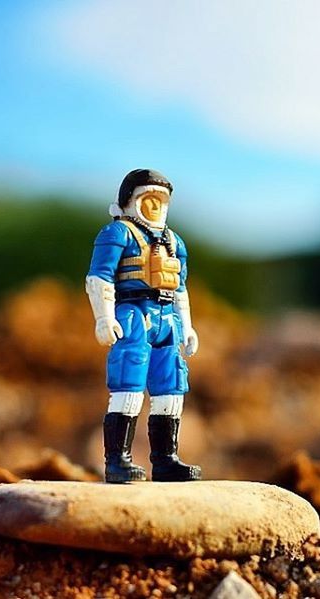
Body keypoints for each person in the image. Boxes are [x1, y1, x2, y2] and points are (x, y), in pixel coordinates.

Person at [86, 169, 201, 483]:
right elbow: (99, 278)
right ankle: (117, 460)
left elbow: (180, 287)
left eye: (160, 200)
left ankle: (166, 460)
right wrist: (104, 318)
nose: (154, 206)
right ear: (129, 200)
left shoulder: (174, 242)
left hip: (167, 319)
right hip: (133, 315)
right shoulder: (118, 233)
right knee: (129, 387)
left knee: (171, 390)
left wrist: (187, 326)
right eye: (147, 198)